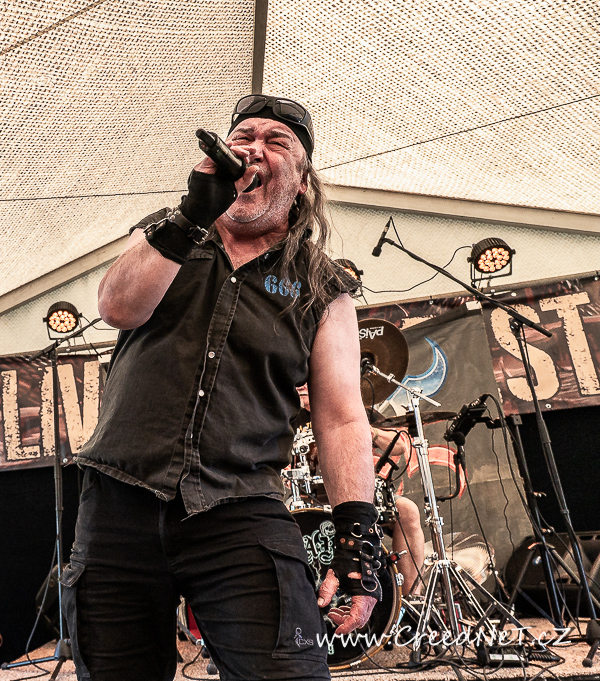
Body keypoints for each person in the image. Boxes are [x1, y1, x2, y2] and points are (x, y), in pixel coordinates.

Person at [66, 95, 383, 681]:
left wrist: (357, 542)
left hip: (239, 506)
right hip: (119, 501)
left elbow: (341, 418)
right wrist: (192, 213)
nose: (254, 149)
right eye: (243, 138)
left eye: (276, 142)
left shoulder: (322, 286)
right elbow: (117, 307)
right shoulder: (166, 233)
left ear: (303, 184)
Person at [297, 384, 425, 596]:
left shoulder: (351, 408)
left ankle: (410, 599)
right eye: (298, 383)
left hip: (358, 493)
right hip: (313, 498)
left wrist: (369, 431)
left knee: (407, 510)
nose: (302, 386)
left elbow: (400, 446)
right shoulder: (290, 417)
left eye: (306, 381)